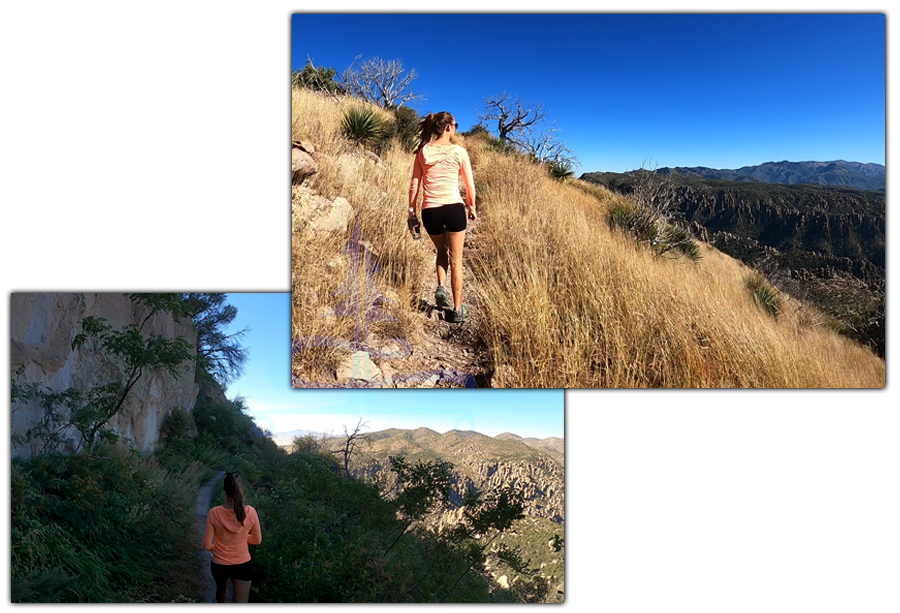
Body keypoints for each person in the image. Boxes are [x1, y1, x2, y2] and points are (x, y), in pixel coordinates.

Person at [408, 111, 477, 323]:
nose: (456, 128)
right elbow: (469, 184)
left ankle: (440, 287)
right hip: (454, 208)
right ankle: (457, 310)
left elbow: (414, 184)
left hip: (430, 211)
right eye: (455, 125)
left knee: (441, 251)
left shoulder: (423, 152)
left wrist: (411, 212)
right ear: (447, 128)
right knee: (456, 259)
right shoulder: (459, 152)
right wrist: (472, 207)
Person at [203, 472, 262, 603]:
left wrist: (220, 545)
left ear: (224, 489)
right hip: (243, 564)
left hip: (219, 564)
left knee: (221, 590)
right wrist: (240, 539)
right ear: (241, 489)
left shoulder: (214, 513)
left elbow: (207, 545)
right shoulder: (250, 512)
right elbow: (257, 540)